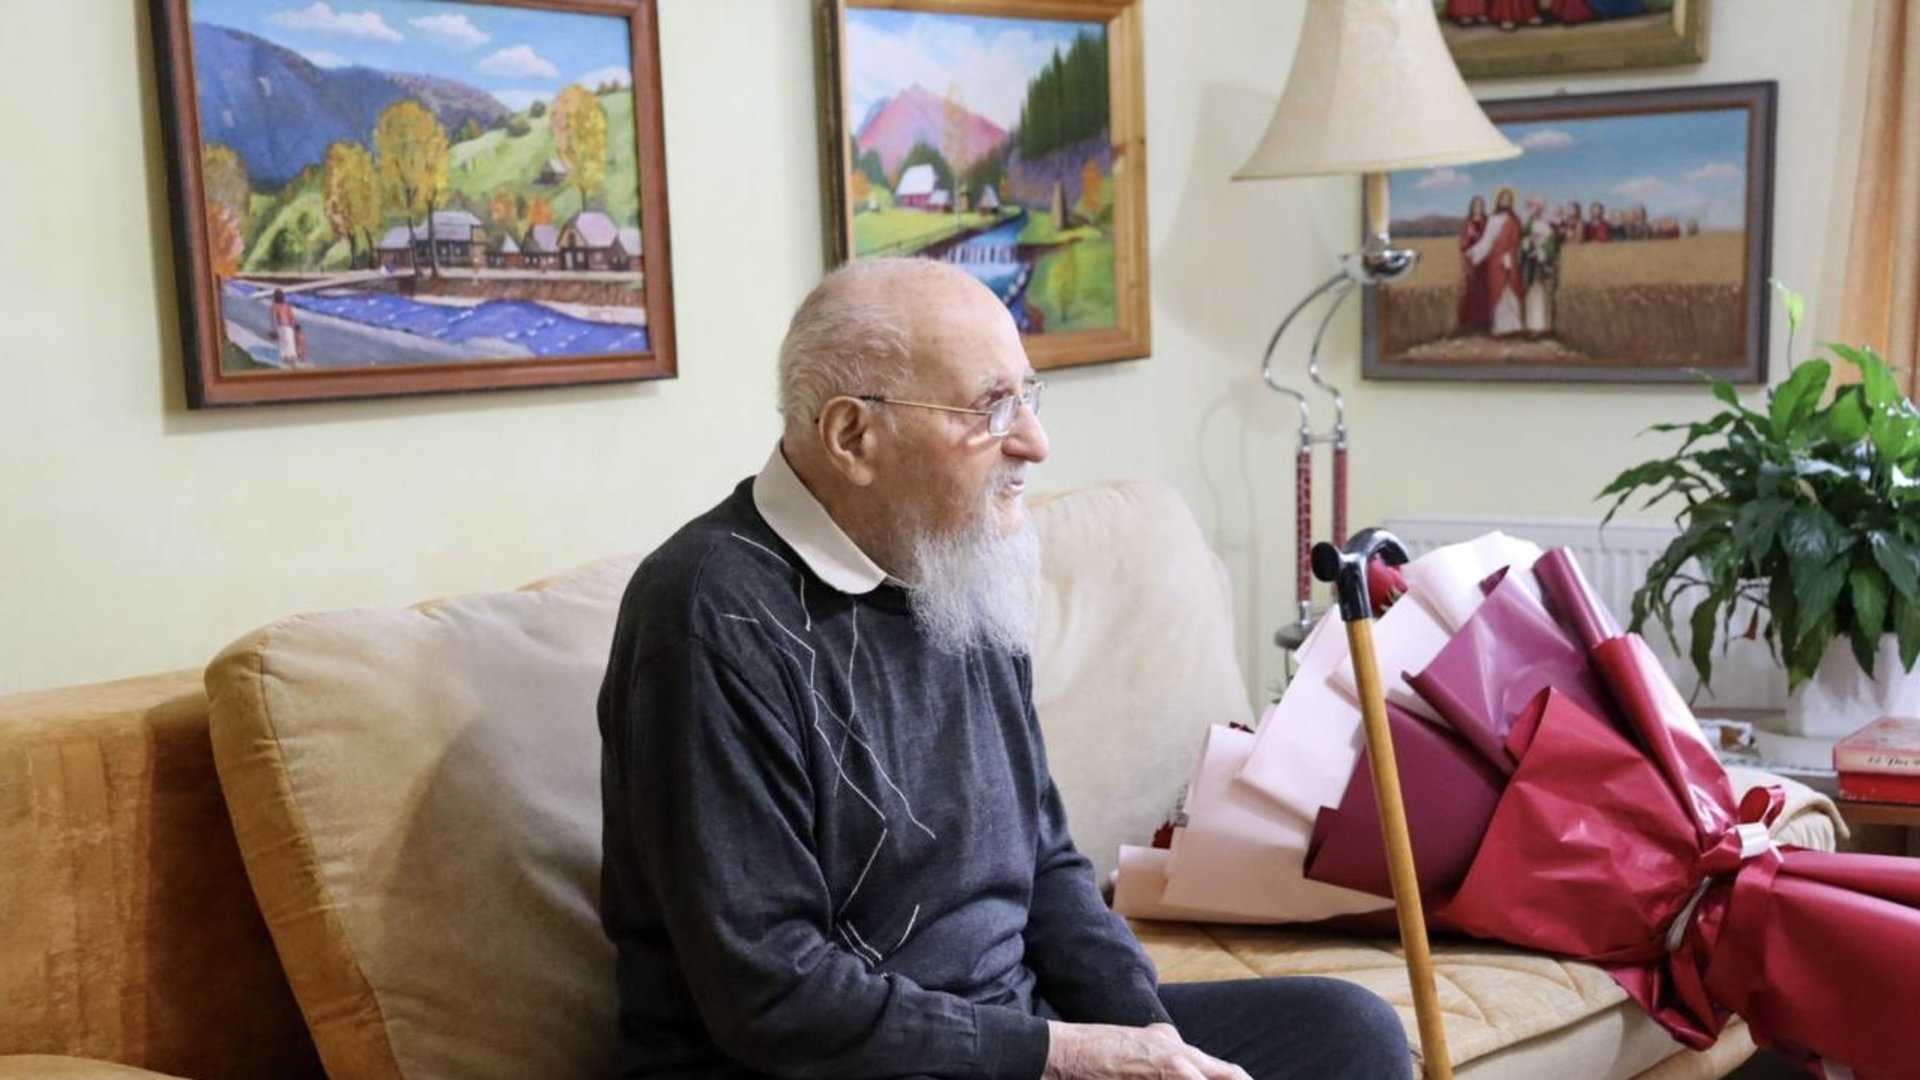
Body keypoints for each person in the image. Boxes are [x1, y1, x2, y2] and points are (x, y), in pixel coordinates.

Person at [597, 258, 1411, 1080]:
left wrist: (1150, 1039)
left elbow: (1046, 864)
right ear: (852, 437)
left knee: (1347, 1033)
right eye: (991, 408)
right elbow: (772, 994)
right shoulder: (708, 617)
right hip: (825, 1066)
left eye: (1028, 396)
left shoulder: (955, 562)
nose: (1035, 442)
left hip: (1008, 1037)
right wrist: (1063, 1056)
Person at [1467, 187, 1525, 337]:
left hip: (1511, 258)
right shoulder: (1493, 219)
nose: (1505, 201)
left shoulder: (1515, 220)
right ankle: (1501, 327)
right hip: (1495, 260)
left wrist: (1511, 255)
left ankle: (1514, 326)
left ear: (1512, 202)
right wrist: (1473, 252)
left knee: (1511, 289)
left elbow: (1519, 241)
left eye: (1508, 199)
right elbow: (1487, 240)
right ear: (1498, 201)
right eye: (1503, 198)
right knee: (1497, 291)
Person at [1520, 195, 1561, 337]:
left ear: (1541, 209)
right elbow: (1521, 238)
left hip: (1539, 264)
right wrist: (1525, 246)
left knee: (1539, 293)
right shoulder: (1525, 224)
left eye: (1536, 206)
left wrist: (1540, 252)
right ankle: (1528, 325)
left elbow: (1550, 244)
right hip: (1528, 264)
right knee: (1528, 294)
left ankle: (1539, 326)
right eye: (1531, 206)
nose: (1533, 209)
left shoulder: (1545, 225)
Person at [1455, 194, 1491, 333]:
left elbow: (1491, 237)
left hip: (1485, 260)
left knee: (1485, 290)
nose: (1478, 207)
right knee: (1471, 289)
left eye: (1480, 205)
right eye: (1476, 205)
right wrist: (1467, 246)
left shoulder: (1487, 221)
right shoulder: (1468, 222)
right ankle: (1470, 321)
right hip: (1472, 260)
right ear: (1472, 206)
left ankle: (1485, 321)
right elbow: (1462, 241)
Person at [270, 289, 302, 368]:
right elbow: (291, 316)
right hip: (286, 327)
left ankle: (288, 359)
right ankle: (291, 360)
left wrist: (274, 329)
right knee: (289, 343)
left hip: (283, 327)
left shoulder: (276, 306)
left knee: (285, 343)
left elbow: (274, 318)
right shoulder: (284, 305)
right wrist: (295, 324)